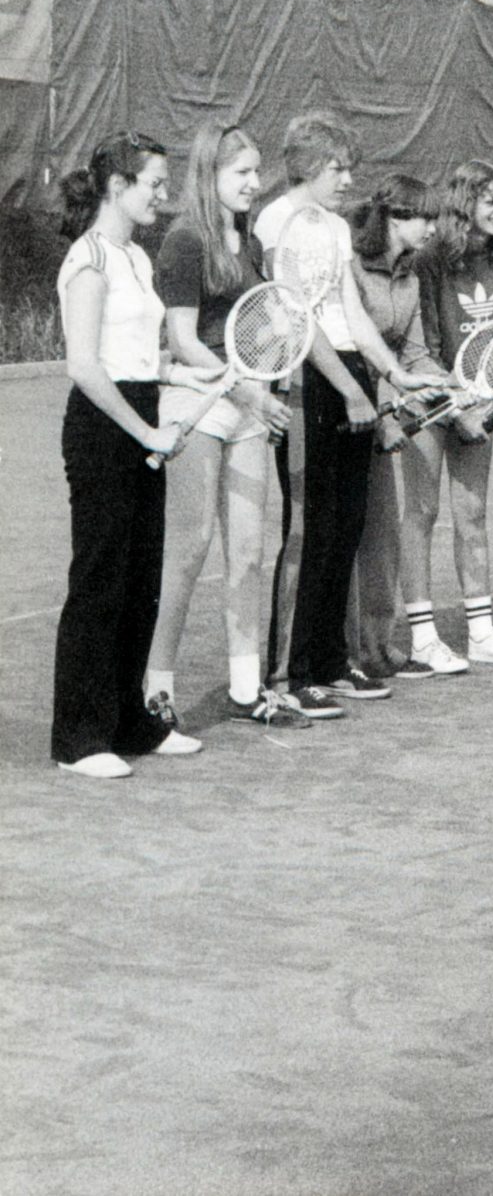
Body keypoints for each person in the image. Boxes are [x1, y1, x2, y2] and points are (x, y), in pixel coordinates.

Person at [259, 112, 442, 718]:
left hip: (349, 376)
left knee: (346, 526)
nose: (346, 179)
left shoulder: (336, 227)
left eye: (348, 168)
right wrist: (349, 389)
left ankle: (330, 661)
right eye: (337, 167)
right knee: (309, 531)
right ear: (308, 166)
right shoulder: (276, 222)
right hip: (304, 381)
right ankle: (290, 674)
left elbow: (348, 311)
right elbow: (295, 320)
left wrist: (390, 373)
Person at [50, 132, 216, 777]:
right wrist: (146, 433)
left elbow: (141, 357)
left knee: (141, 578)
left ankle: (131, 724)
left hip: (141, 411)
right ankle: (79, 739)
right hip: (100, 429)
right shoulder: (86, 260)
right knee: (99, 580)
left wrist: (183, 376)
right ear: (117, 187)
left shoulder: (137, 260)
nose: (164, 195)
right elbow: (87, 366)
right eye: (154, 183)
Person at [144, 121, 306, 733]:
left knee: (249, 552)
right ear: (209, 176)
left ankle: (246, 688)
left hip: (248, 403)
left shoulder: (250, 245)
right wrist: (246, 389)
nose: (253, 183)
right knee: (190, 548)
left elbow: (256, 326)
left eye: (256, 171)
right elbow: (183, 341)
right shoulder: (185, 242)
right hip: (197, 403)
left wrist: (276, 346)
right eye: (240, 172)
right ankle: (156, 690)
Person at [404, 159, 493, 671]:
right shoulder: (432, 258)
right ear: (464, 204)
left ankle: (480, 633)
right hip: (430, 395)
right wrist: (456, 406)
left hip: (479, 401)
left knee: (472, 514)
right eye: (488, 200)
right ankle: (421, 637)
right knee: (422, 513)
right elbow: (427, 340)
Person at [345, 173, 446, 679]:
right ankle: (340, 652)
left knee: (382, 533)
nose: (434, 226)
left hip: (383, 410)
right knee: (343, 534)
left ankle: (377, 646)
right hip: (346, 408)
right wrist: (386, 411)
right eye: (426, 216)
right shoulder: (352, 269)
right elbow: (357, 351)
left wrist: (453, 387)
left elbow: (414, 353)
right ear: (395, 218)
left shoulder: (411, 274)